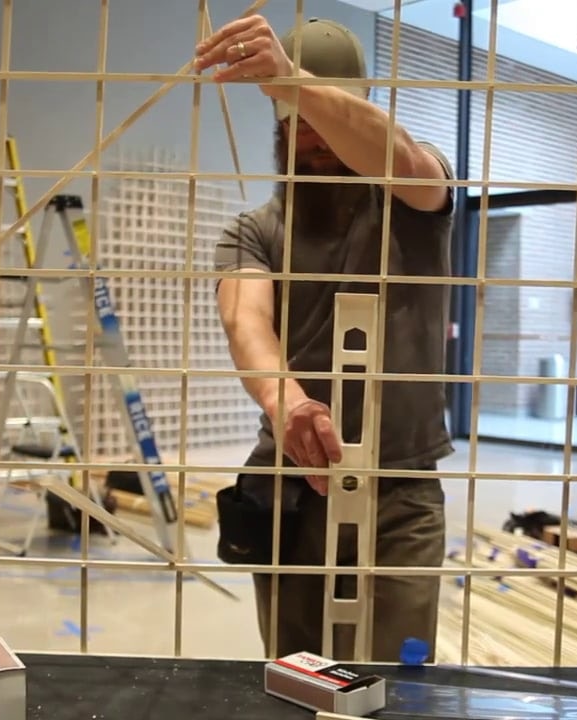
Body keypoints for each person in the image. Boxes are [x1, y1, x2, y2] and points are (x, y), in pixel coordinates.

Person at [194, 15, 457, 659]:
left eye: (324, 116)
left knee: (400, 683)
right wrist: (287, 402)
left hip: (400, 487)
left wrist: (295, 82)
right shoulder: (253, 230)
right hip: (289, 484)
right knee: (297, 678)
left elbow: (403, 158)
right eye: (292, 122)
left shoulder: (414, 201)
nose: (309, 137)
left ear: (356, 110)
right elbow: (244, 321)